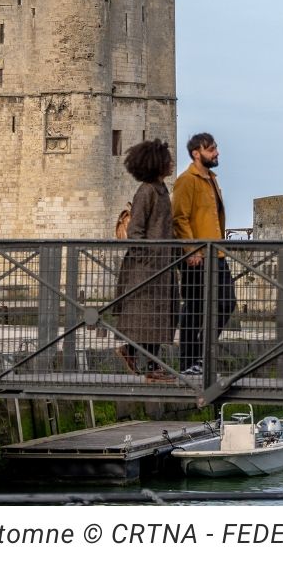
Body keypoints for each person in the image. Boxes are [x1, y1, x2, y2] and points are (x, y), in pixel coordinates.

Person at [112, 139, 179, 382]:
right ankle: (150, 365)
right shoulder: (147, 191)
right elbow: (136, 230)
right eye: (168, 160)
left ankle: (148, 362)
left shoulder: (161, 190)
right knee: (148, 318)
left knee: (161, 317)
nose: (171, 164)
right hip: (147, 268)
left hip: (163, 266)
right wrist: (148, 256)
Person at [171, 132, 236, 378]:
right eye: (211, 149)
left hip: (216, 254)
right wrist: (192, 250)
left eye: (216, 148)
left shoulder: (211, 179)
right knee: (195, 308)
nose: (216, 152)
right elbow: (180, 218)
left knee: (227, 303)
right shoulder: (187, 180)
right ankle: (189, 363)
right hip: (197, 256)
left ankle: (199, 354)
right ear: (196, 153)